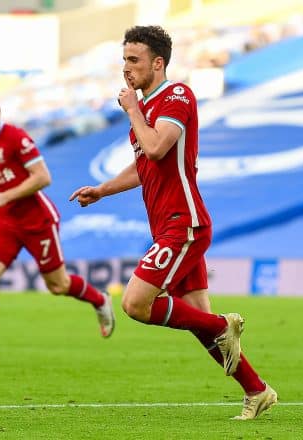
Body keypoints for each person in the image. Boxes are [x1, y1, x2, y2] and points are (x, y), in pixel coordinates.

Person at [70, 26, 276, 420]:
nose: (126, 69)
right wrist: (102, 189)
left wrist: (132, 109)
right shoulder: (147, 109)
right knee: (199, 324)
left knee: (135, 304)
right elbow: (144, 163)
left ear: (158, 63)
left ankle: (222, 324)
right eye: (124, 60)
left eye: (134, 61)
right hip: (168, 224)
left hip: (184, 223)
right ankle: (256, 390)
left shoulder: (176, 96)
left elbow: (156, 146)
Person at [0, 92, 115, 365]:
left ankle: (99, 299)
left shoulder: (16, 138)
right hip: (4, 223)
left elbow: (43, 177)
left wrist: (6, 196)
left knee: (58, 285)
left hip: (37, 221)